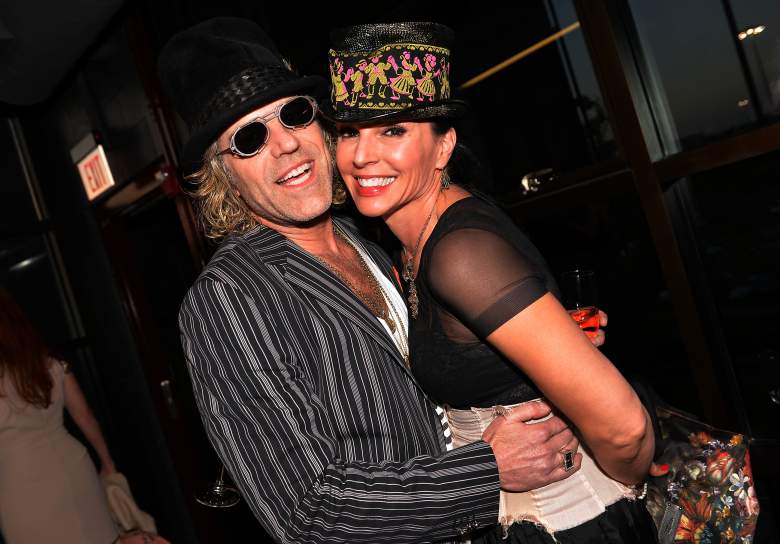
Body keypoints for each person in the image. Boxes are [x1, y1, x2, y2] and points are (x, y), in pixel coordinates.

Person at [159, 17, 584, 544]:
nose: (286, 146)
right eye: (249, 138)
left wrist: (539, 345)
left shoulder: (368, 235)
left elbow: (430, 380)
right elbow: (307, 513)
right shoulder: (226, 299)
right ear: (223, 174)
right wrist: (486, 471)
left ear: (321, 125)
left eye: (294, 115)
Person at [325, 22, 657, 543]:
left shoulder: (460, 253)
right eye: (348, 131)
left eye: (393, 130)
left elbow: (626, 426)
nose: (362, 155)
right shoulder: (414, 244)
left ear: (443, 146)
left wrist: (627, 496)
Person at [0, 287, 119, 544]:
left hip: (20, 485)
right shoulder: (49, 364)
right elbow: (85, 416)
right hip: (75, 468)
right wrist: (108, 464)